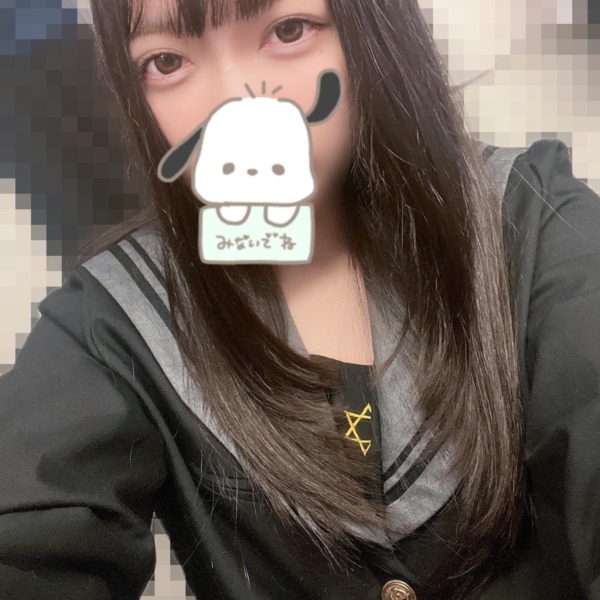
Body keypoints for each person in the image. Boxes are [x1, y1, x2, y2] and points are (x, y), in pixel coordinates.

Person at [0, 0, 598, 598]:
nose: (233, 105)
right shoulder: (110, 320)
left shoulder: (532, 220)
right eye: (167, 62)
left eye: (287, 31)